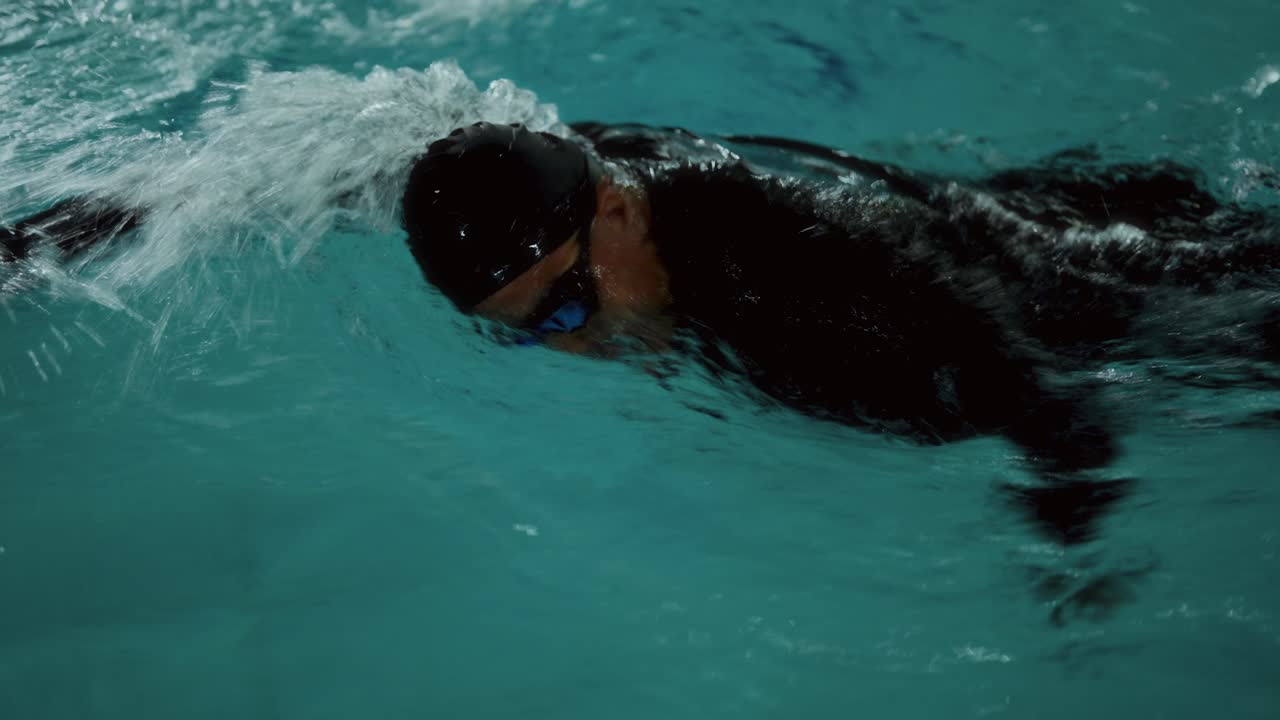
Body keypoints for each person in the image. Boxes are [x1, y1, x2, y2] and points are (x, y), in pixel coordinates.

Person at [5, 121, 1277, 545]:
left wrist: (1071, 535)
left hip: (1119, 301)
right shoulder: (538, 185)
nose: (570, 346)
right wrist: (59, 234)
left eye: (566, 307)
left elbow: (1018, 369)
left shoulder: (804, 265)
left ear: (616, 210)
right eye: (525, 335)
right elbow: (312, 162)